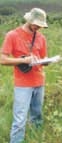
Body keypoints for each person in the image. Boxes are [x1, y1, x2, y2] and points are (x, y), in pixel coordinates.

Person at [0, 8, 48, 143]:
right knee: (20, 120)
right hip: (22, 85)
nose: (38, 27)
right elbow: (2, 59)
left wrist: (47, 61)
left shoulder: (41, 37)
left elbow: (44, 57)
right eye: (36, 24)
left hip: (39, 82)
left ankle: (35, 139)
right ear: (29, 20)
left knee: (37, 117)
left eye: (40, 25)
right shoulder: (12, 35)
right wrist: (23, 60)